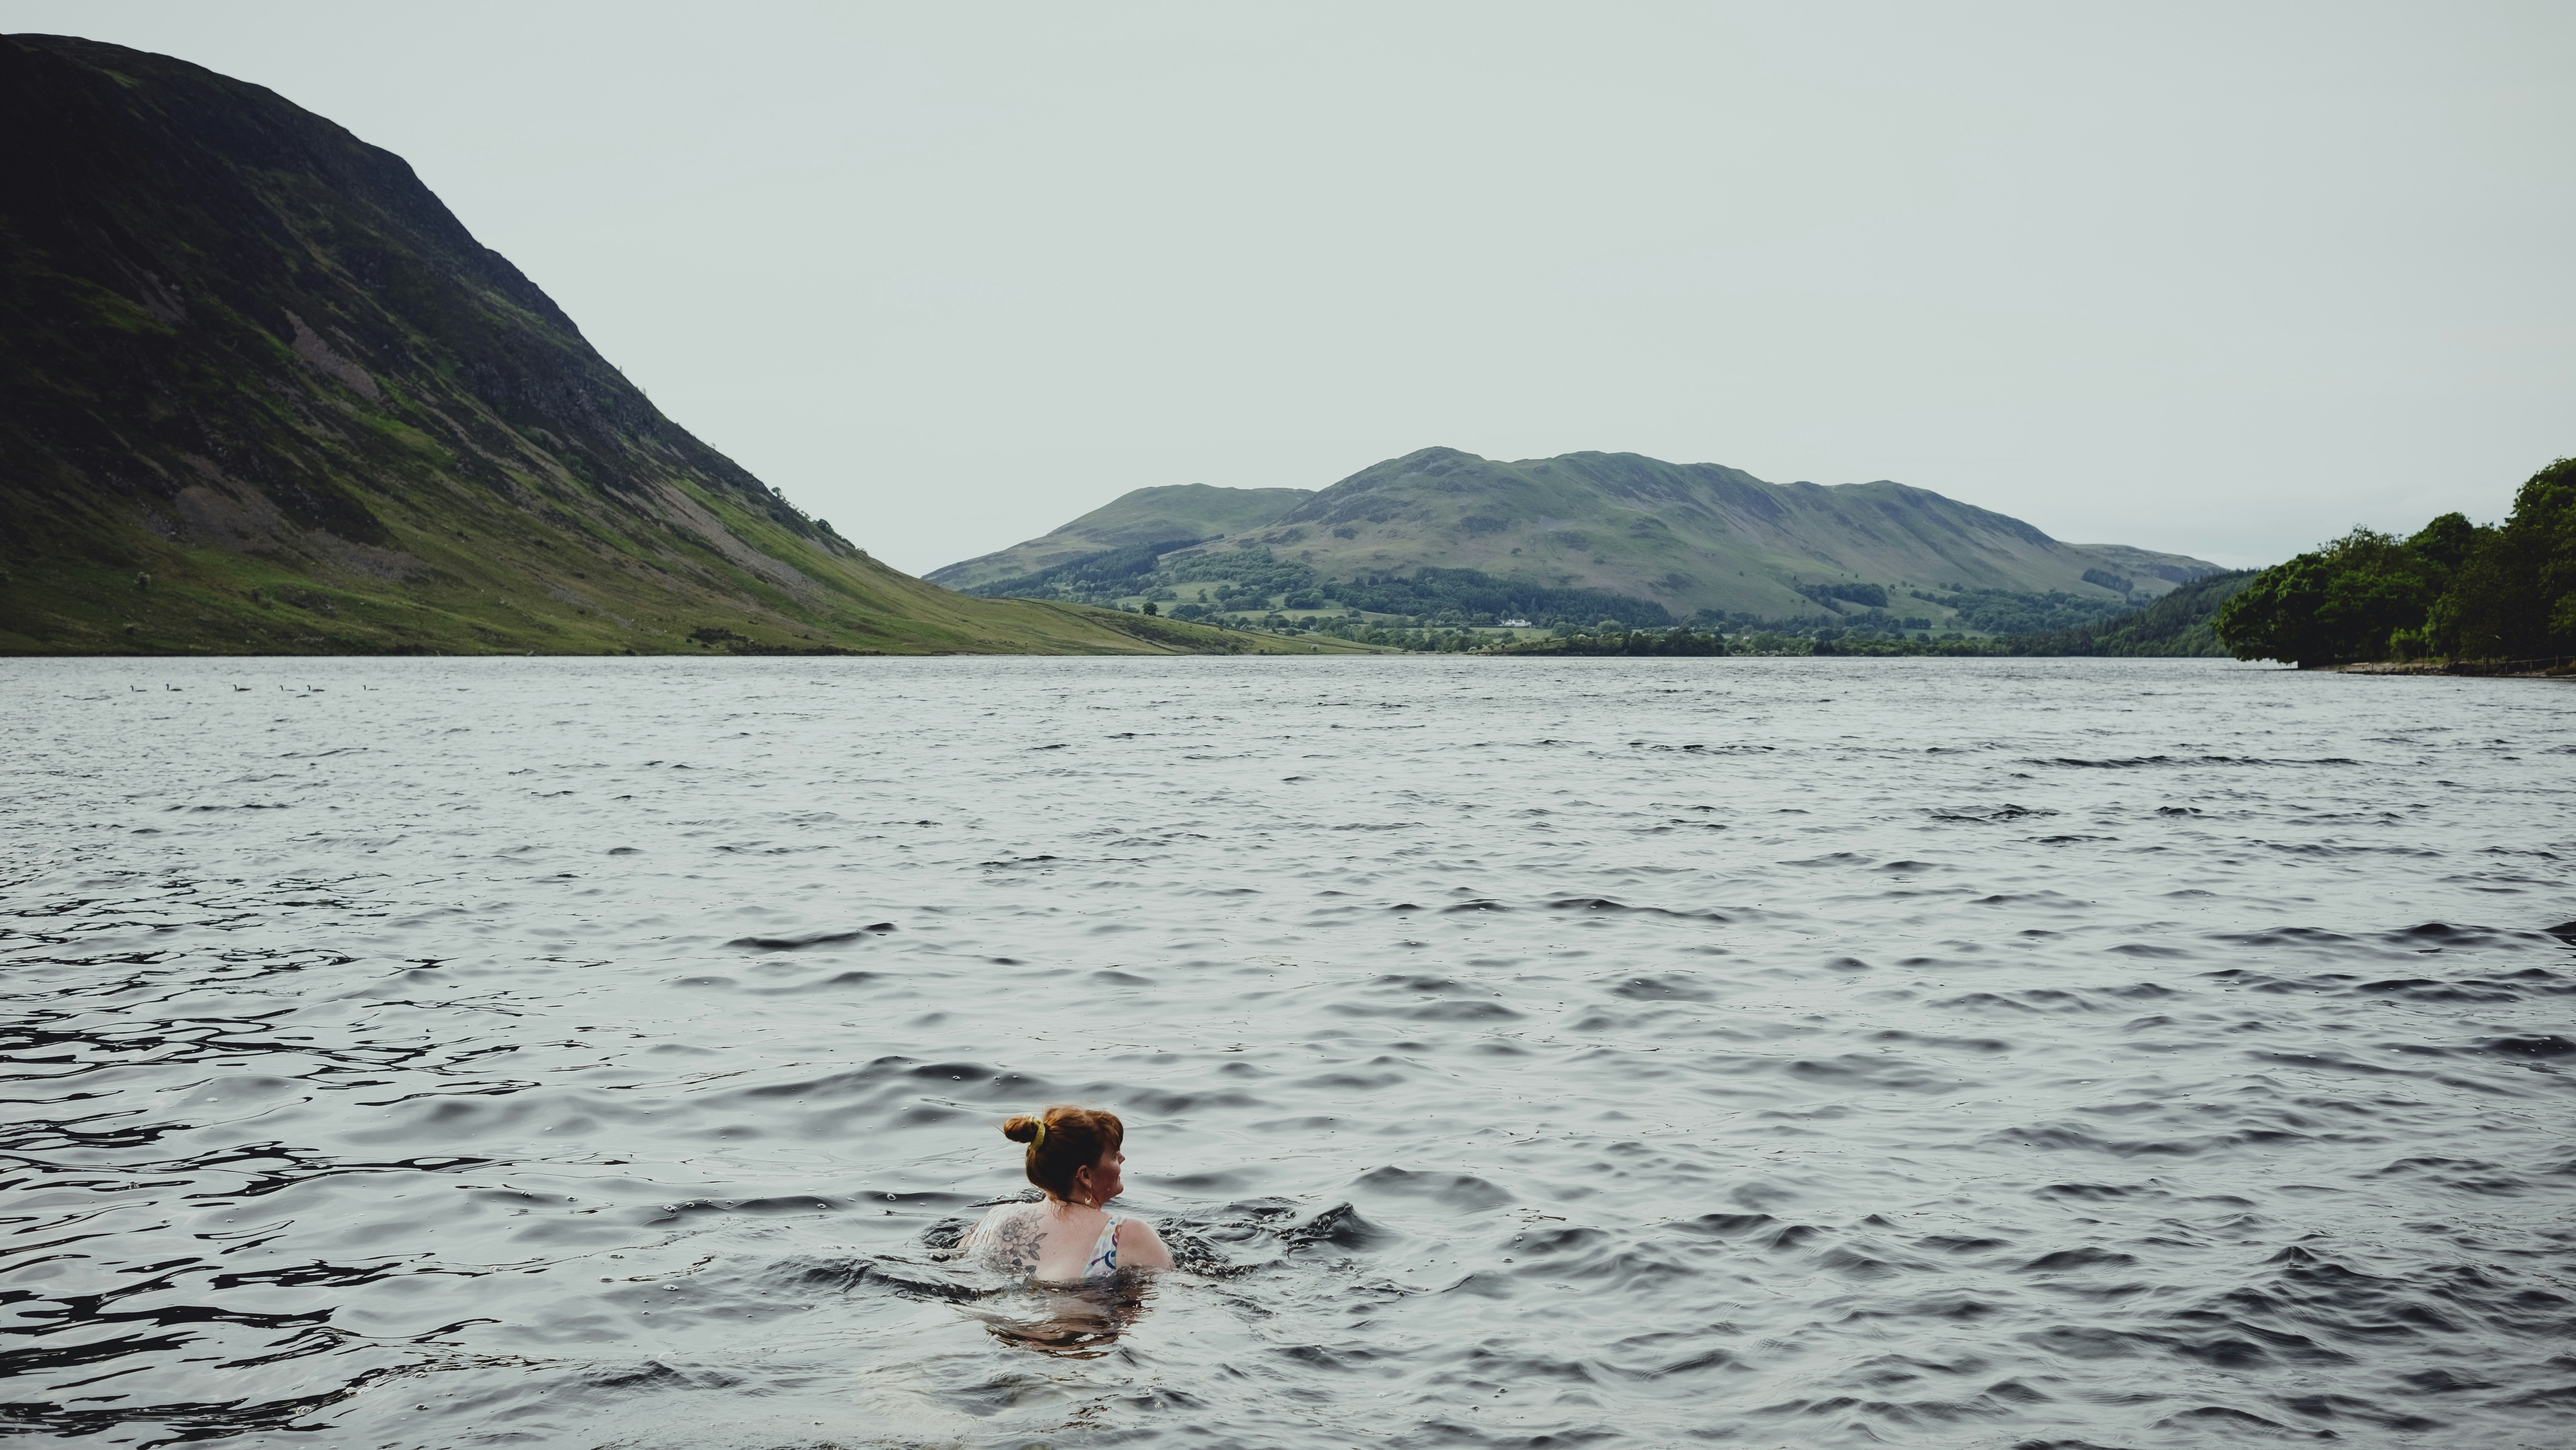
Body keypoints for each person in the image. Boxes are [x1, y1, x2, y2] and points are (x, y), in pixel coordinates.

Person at [962, 1106, 1173, 1282]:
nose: (1123, 1159)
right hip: (1078, 1326)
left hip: (1001, 1329)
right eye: (1114, 1154)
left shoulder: (996, 1217)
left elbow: (957, 1269)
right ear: (1085, 1176)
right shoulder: (1128, 1233)